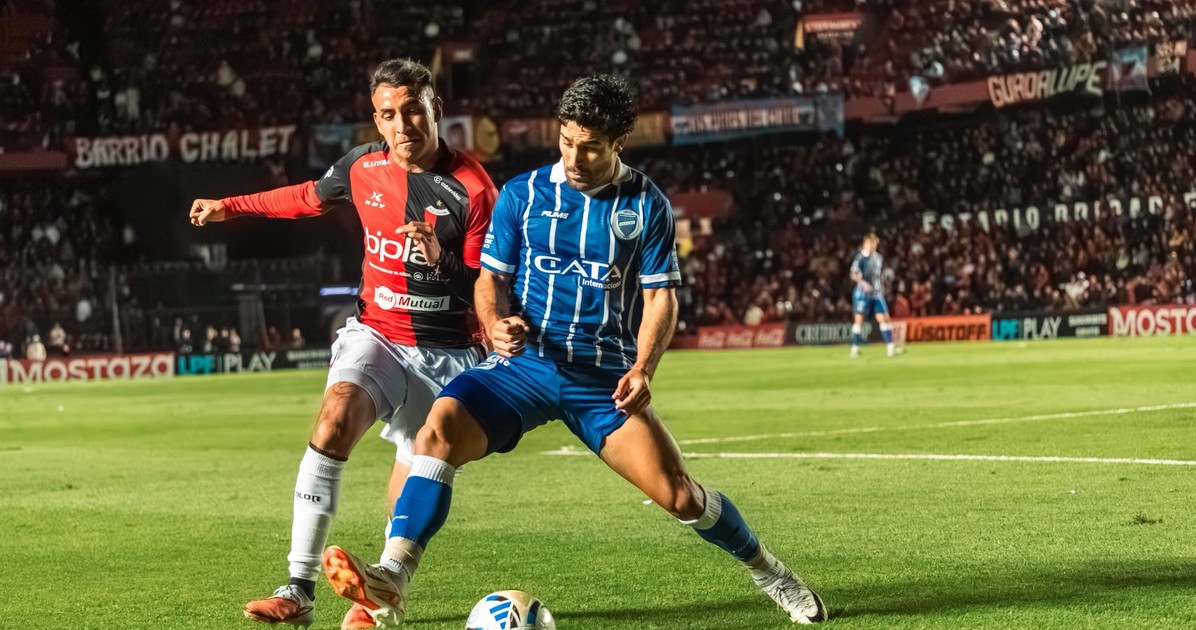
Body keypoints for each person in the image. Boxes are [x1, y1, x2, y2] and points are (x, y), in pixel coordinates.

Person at [320, 74, 827, 627]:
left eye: (590, 147)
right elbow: (490, 280)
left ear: (618, 143)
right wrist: (493, 323)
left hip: (601, 378)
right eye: (566, 141)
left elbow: (660, 297)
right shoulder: (524, 194)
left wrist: (644, 367)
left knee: (680, 495)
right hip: (522, 366)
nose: (575, 158)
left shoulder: (646, 205)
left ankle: (769, 570)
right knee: (436, 431)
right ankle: (392, 575)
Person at [188, 58, 497, 630]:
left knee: (415, 477)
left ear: (435, 109)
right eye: (388, 114)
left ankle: (380, 592)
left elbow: (485, 288)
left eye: (412, 110)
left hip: (448, 353)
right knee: (333, 420)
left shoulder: (473, 189)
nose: (402, 124)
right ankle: (297, 587)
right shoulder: (362, 166)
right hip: (377, 334)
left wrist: (440, 259)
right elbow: (305, 197)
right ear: (376, 120)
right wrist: (231, 207)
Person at [849, 233, 896, 357]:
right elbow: (853, 273)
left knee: (884, 318)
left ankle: (890, 348)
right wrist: (862, 282)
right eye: (871, 243)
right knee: (859, 319)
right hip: (863, 293)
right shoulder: (860, 258)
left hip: (876, 293)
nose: (873, 245)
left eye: (875, 243)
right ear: (865, 244)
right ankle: (854, 348)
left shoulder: (878, 257)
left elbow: (877, 275)